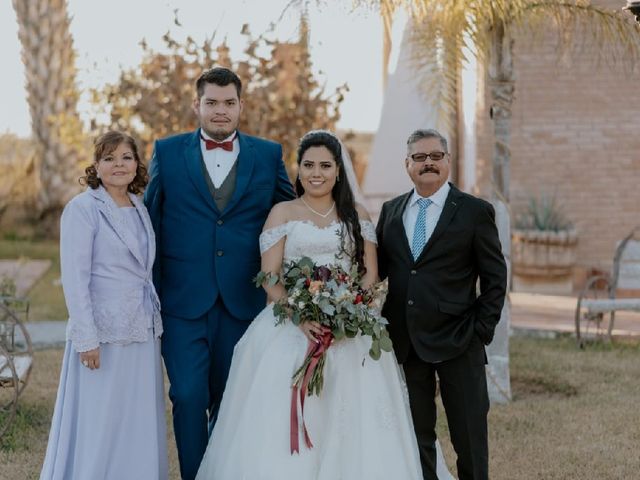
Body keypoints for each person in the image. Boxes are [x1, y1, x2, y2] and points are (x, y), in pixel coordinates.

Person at [195, 130, 425, 479]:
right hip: (288, 327)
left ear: (338, 170)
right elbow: (270, 276)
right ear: (298, 169)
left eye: (325, 165)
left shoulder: (356, 214)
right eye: (309, 165)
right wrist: (301, 315)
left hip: (349, 330)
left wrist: (349, 310)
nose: (316, 173)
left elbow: (369, 275)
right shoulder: (282, 212)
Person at [144, 67, 295, 479]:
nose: (221, 111)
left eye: (229, 103)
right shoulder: (168, 152)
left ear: (241, 106)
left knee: (232, 400)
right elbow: (147, 224)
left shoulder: (268, 155)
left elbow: (292, 217)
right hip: (182, 300)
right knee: (189, 396)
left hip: (244, 301)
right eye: (212, 102)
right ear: (197, 105)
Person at [376, 128, 508, 480]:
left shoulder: (474, 212)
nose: (428, 163)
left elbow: (495, 279)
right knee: (418, 440)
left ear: (448, 161)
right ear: (407, 164)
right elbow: (376, 273)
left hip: (459, 342)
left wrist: (480, 330)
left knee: (469, 440)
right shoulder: (390, 212)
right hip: (407, 344)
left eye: (436, 156)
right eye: (419, 157)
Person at [40, 131, 167, 480]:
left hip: (141, 329)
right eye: (109, 158)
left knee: (134, 414)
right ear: (96, 165)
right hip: (103, 333)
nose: (118, 165)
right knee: (101, 416)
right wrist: (87, 338)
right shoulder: (82, 209)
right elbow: (75, 278)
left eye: (126, 157)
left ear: (136, 164)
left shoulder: (139, 206)